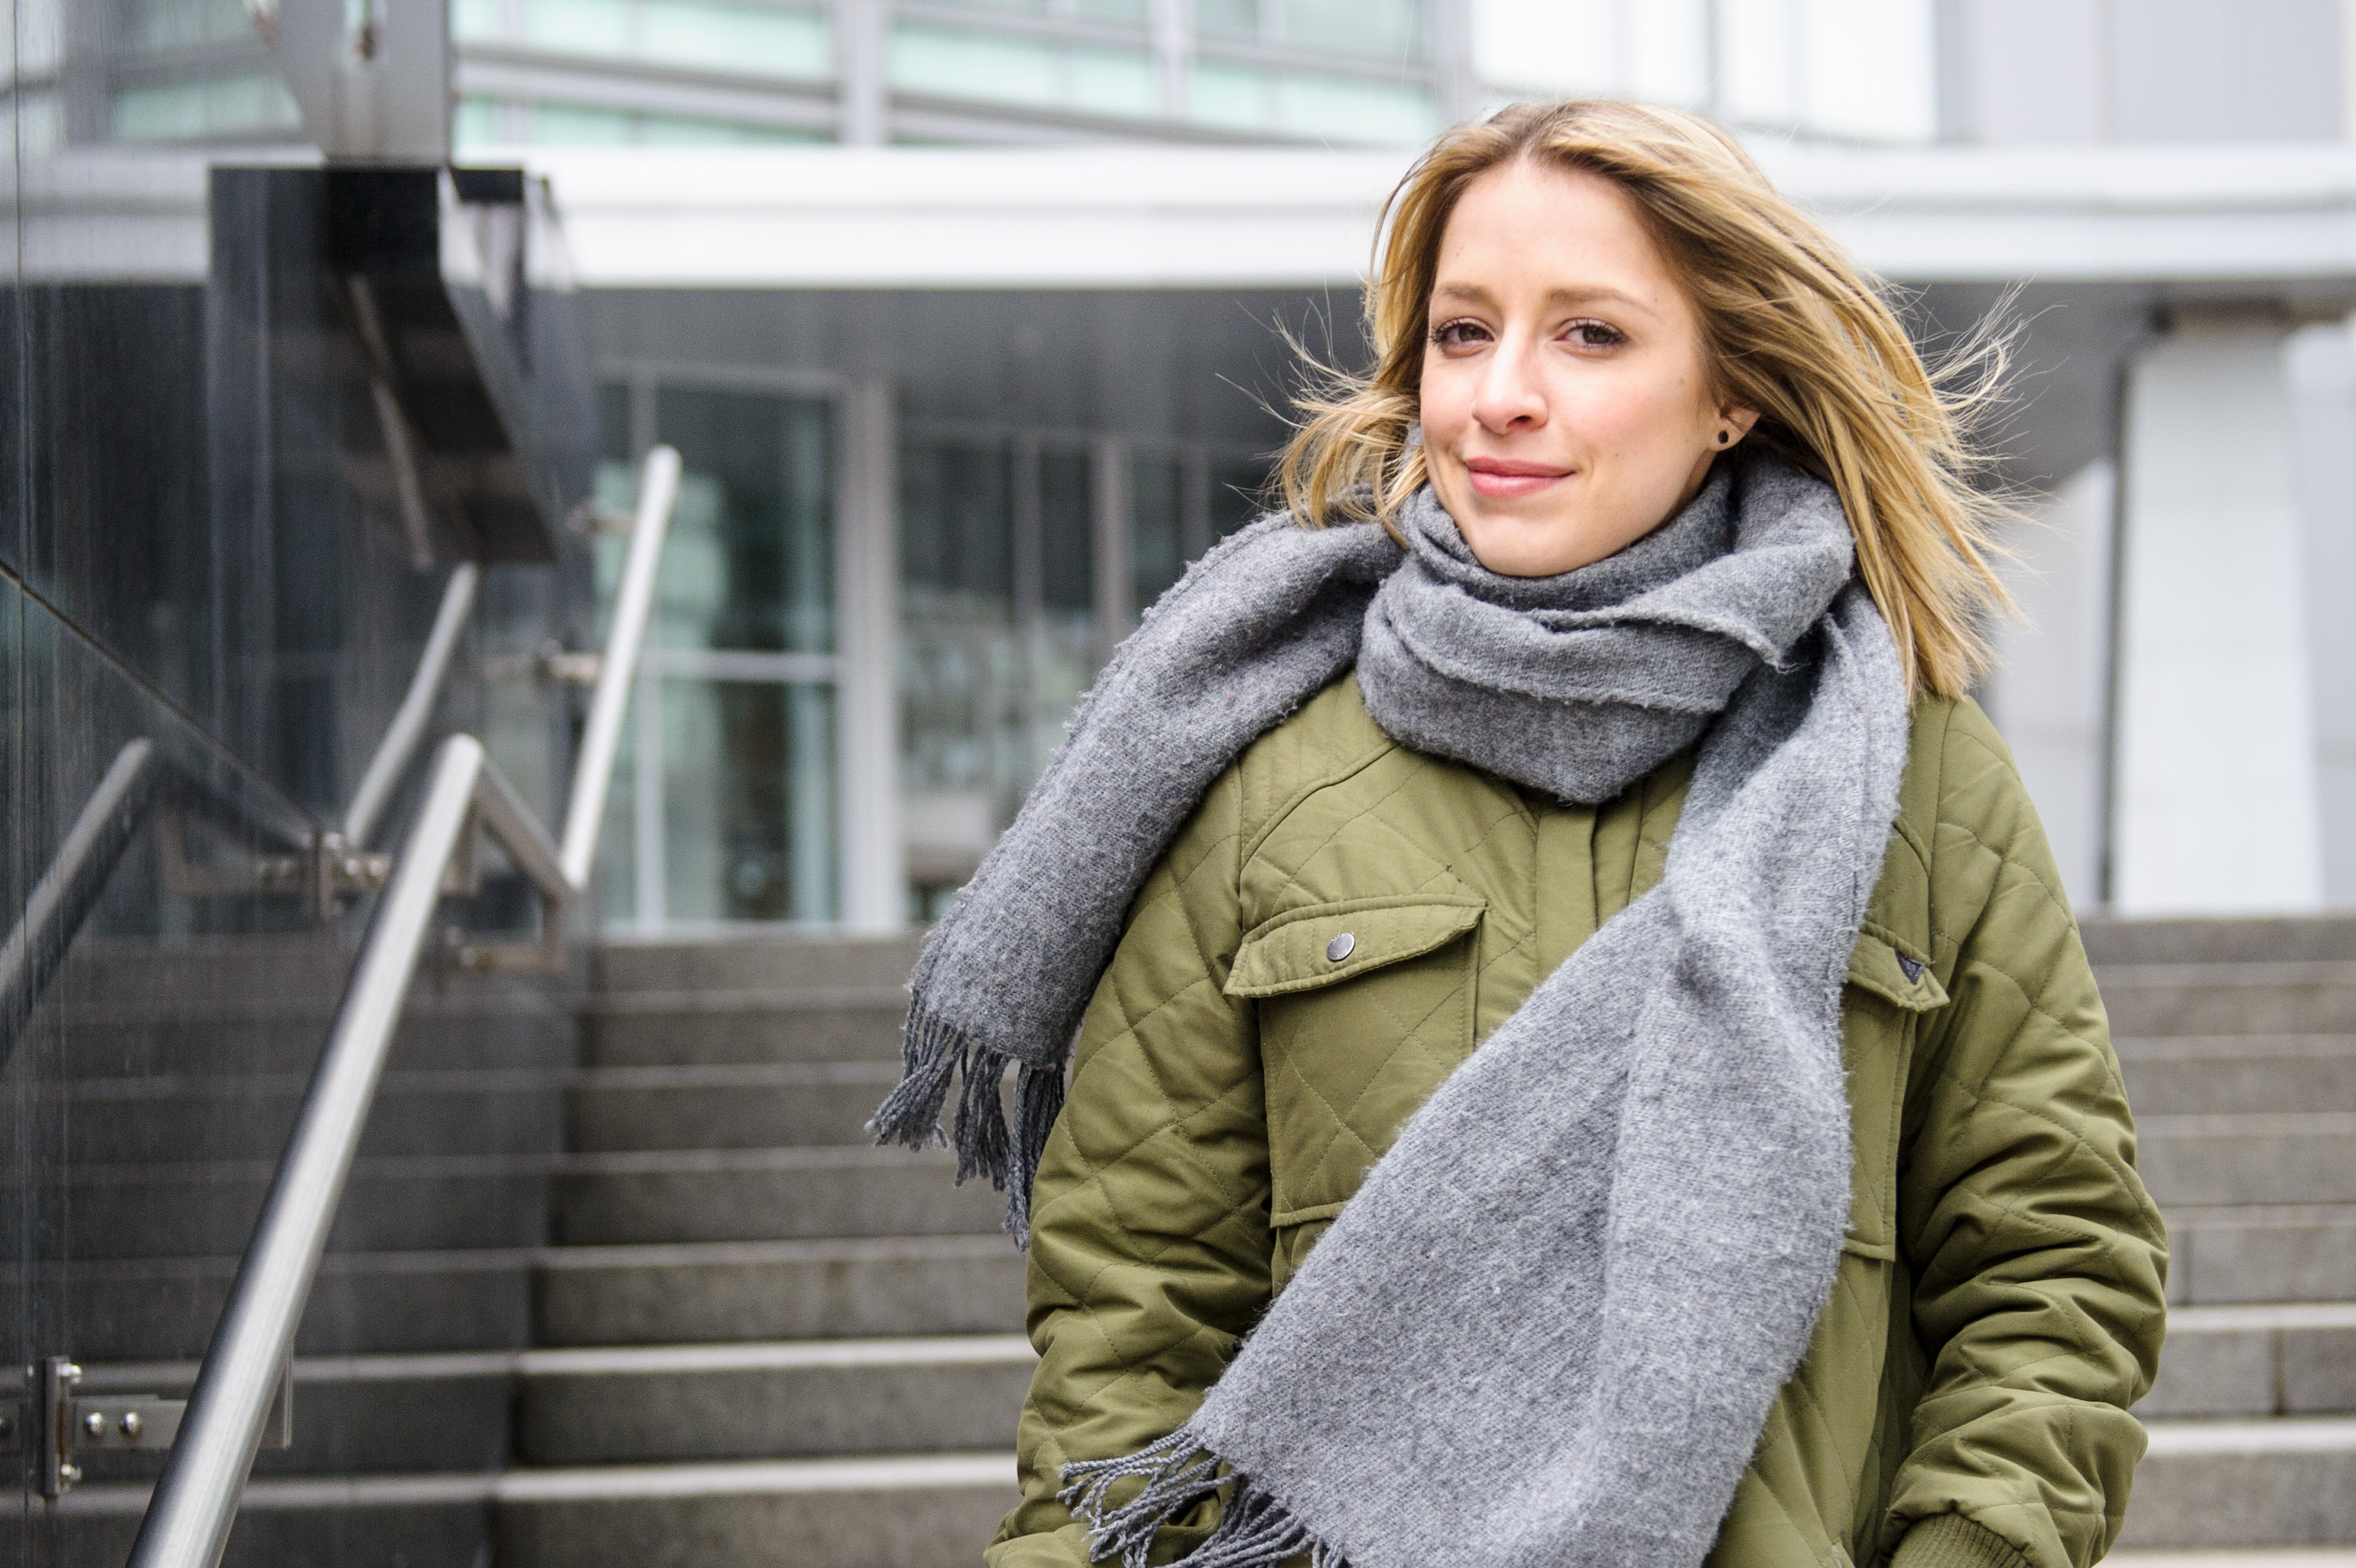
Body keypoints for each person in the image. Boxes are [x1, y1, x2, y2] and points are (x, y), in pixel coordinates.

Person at [873, 98, 2167, 1568]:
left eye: (1590, 335)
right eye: (1464, 332)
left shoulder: (1911, 772)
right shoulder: (1259, 777)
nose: (1500, 395)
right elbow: (1132, 1317)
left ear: (1731, 389)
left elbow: (2056, 1267)